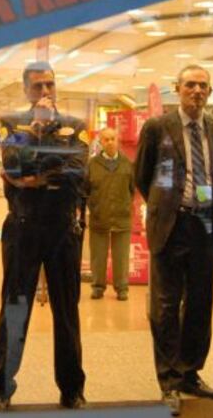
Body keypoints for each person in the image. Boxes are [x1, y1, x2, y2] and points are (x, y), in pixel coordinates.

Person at [0, 61, 89, 410]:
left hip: (62, 228)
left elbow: (77, 172)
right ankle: (1, 387)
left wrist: (35, 177)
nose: (46, 92)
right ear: (26, 90)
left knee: (66, 311)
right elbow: (12, 163)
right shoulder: (11, 124)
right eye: (38, 87)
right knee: (15, 308)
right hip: (24, 226)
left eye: (50, 85)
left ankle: (72, 388)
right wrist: (33, 133)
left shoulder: (76, 126)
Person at [135, 65, 213, 416]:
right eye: (190, 85)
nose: (197, 91)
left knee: (201, 304)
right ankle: (169, 379)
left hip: (207, 226)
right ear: (177, 89)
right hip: (171, 227)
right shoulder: (158, 127)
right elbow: (142, 176)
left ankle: (190, 372)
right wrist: (166, 208)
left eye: (203, 86)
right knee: (165, 307)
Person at [88, 127, 134, 301]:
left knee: (121, 257)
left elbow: (132, 188)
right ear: (100, 142)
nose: (110, 142)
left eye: (113, 138)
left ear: (118, 140)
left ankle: (122, 288)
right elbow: (85, 189)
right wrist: (93, 207)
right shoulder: (92, 165)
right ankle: (98, 287)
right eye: (106, 139)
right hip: (99, 218)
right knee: (98, 256)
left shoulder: (127, 164)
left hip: (122, 218)